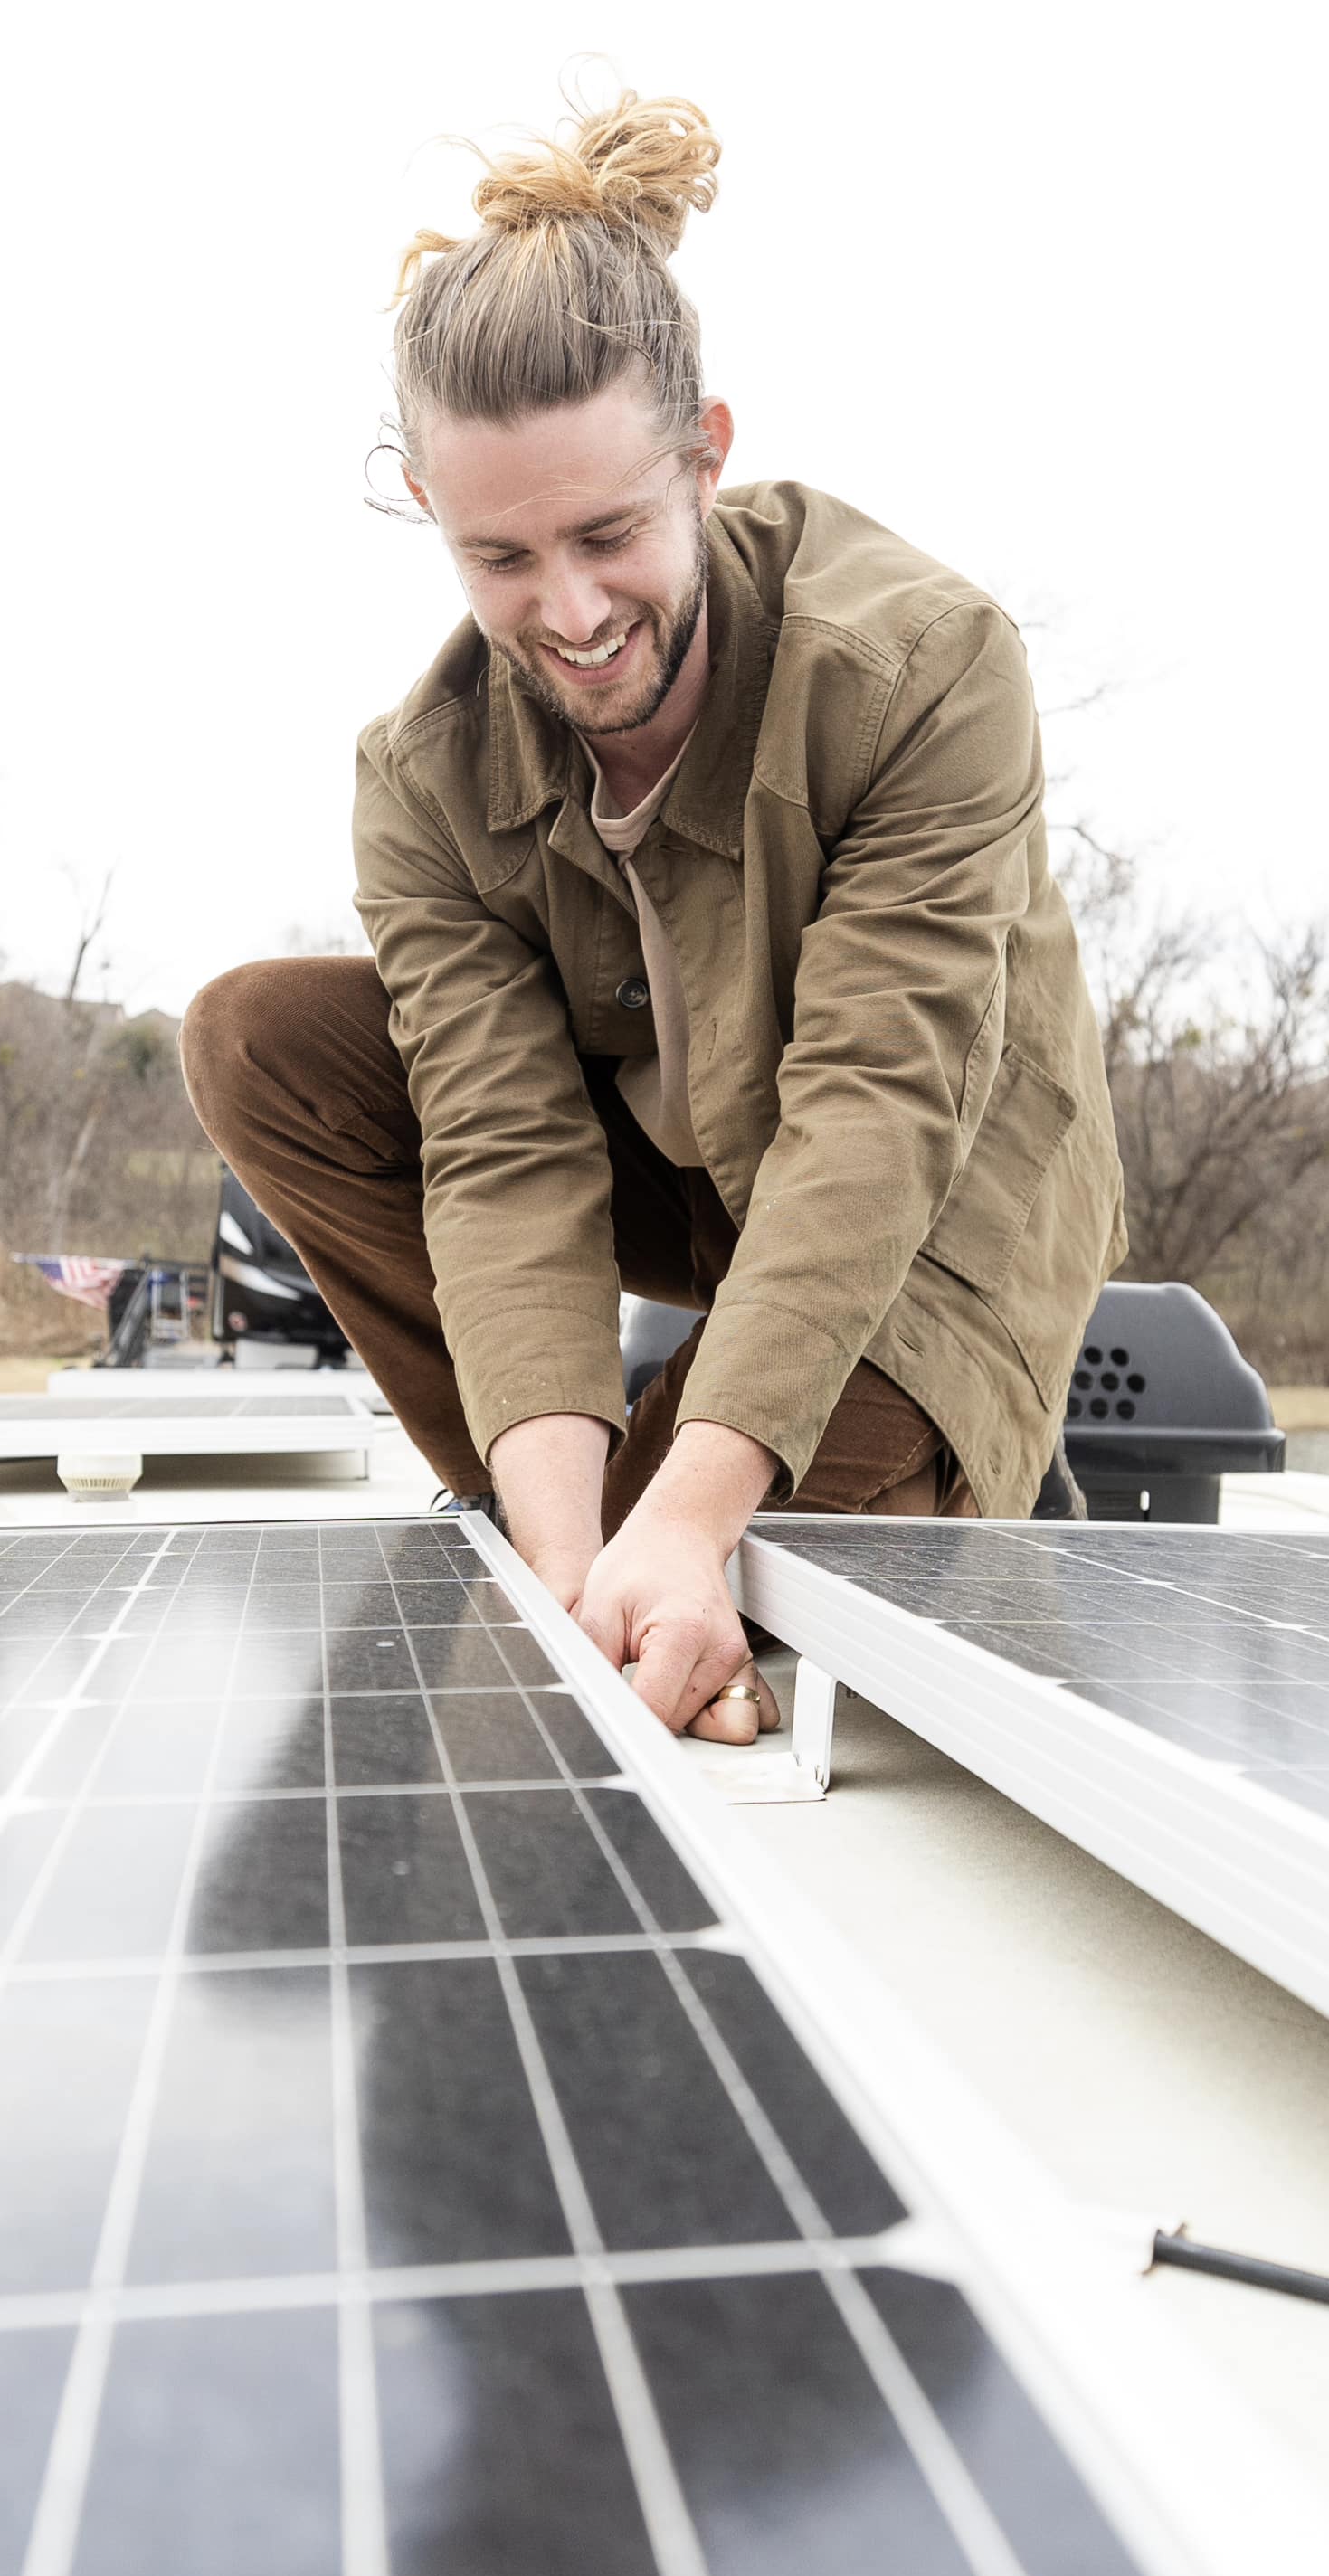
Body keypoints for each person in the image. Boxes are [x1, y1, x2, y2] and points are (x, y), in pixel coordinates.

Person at [184, 85, 1119, 1739]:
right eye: (501, 558)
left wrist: (686, 1520)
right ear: (425, 509)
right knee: (257, 1040)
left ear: (708, 456)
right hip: (685, 1175)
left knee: (714, 1546)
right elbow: (502, 1151)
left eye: (610, 534)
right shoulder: (422, 777)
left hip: (929, 1202)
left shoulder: (926, 668)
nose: (569, 612)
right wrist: (571, 1552)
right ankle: (559, 1515)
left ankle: (681, 1511)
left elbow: (870, 1114)